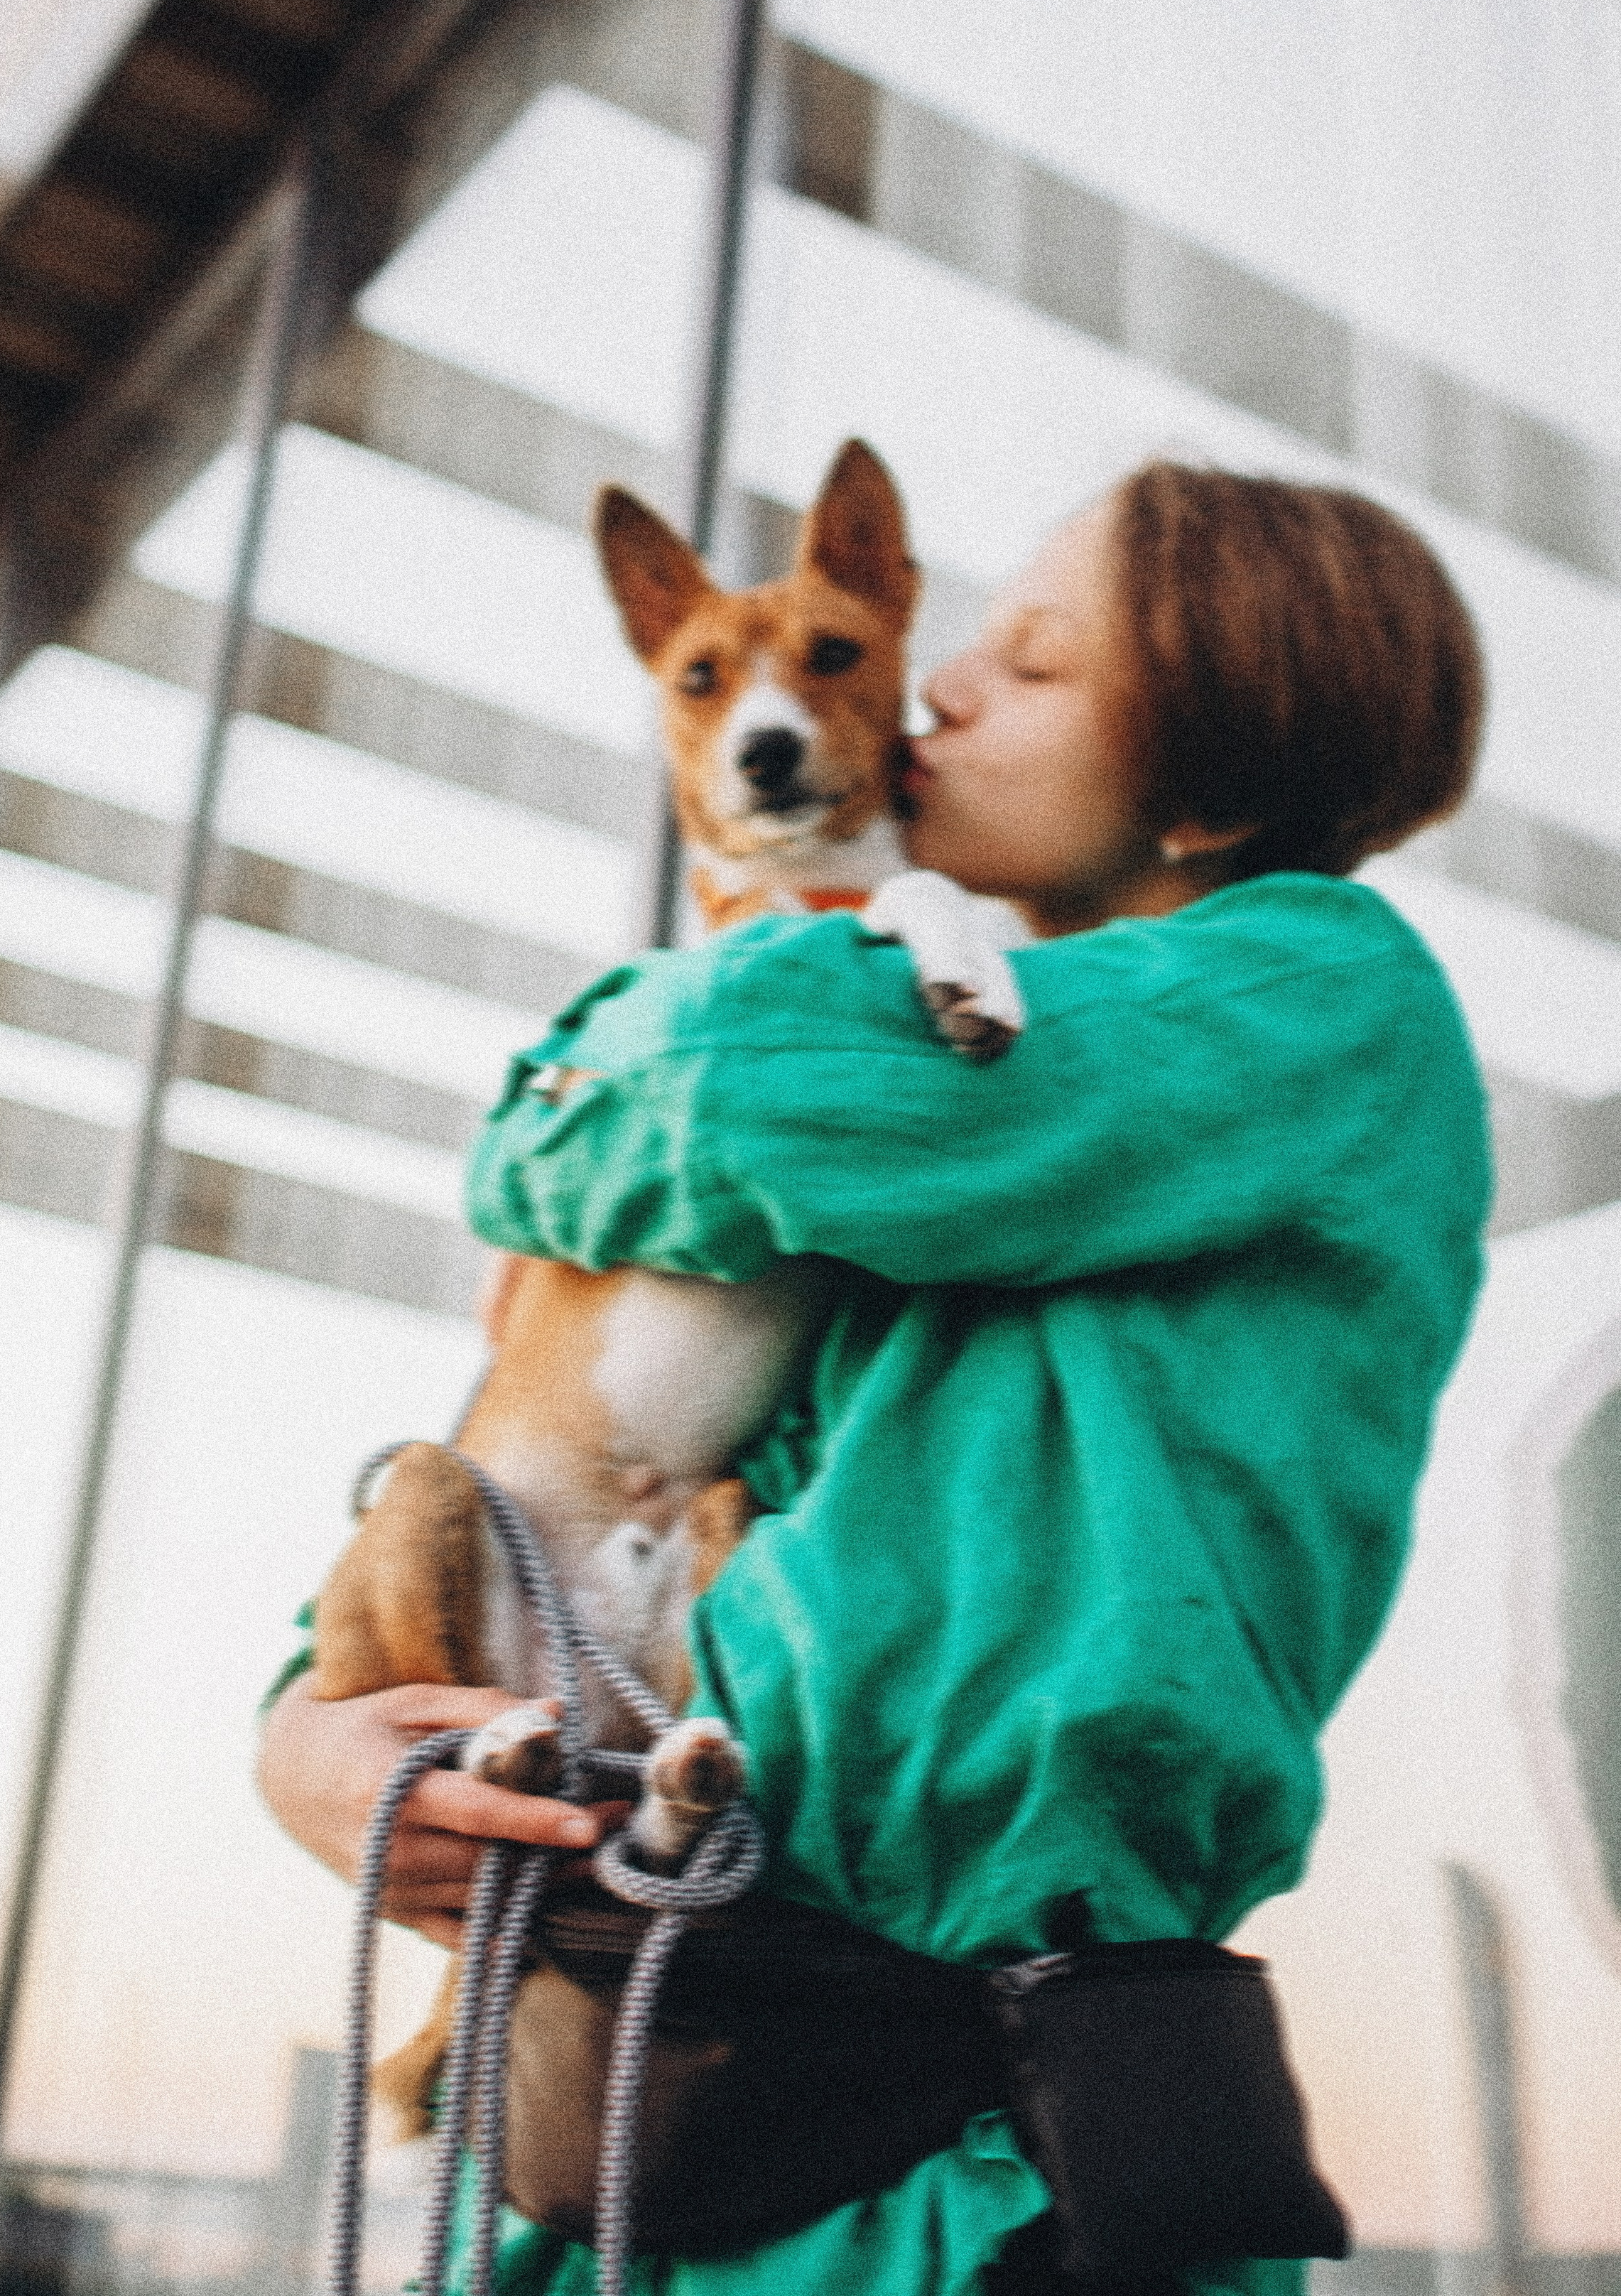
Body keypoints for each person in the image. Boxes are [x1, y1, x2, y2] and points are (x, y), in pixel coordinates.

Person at [259, 459, 1492, 2296]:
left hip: (975, 2184)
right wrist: (311, 1732)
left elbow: (673, 1105)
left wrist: (552, 1103)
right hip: (623, 2129)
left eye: (1036, 661)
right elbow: (583, 1427)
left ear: (1213, 788)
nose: (945, 691)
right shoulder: (921, 1122)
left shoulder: (1313, 996)